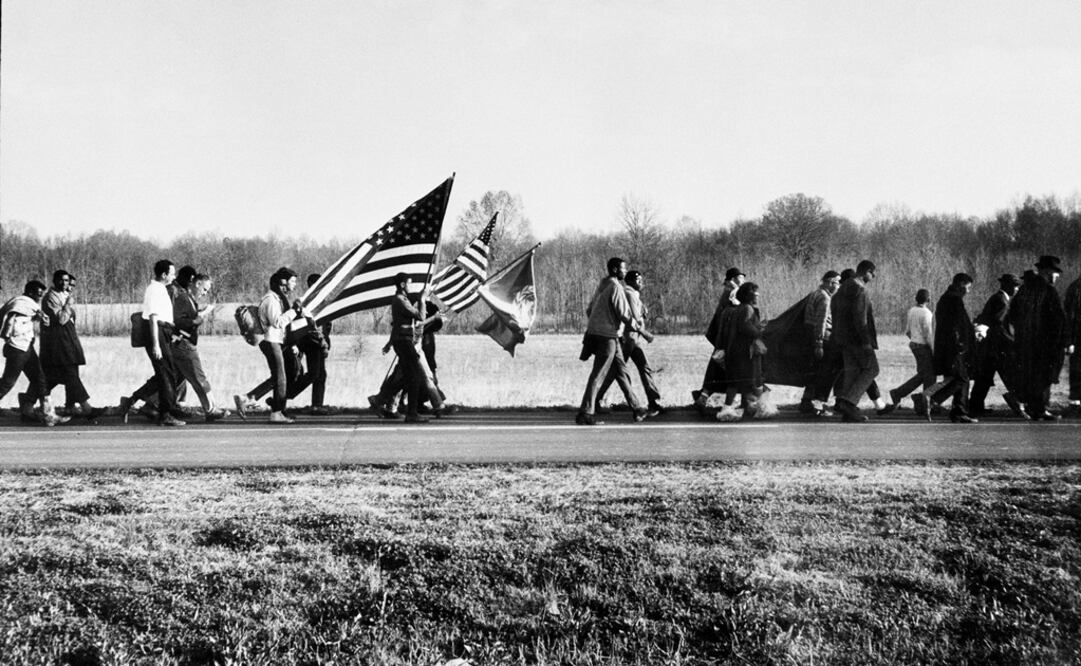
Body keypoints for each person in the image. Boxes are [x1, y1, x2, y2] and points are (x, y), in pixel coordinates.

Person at [576, 257, 648, 426]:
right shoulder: (616, 287)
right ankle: (585, 413)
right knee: (598, 374)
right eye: (623, 268)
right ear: (615, 269)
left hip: (601, 334)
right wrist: (639, 328)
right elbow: (624, 313)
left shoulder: (602, 285)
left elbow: (589, 309)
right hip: (607, 336)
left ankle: (637, 408)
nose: (625, 271)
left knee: (621, 372)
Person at [0, 281, 69, 426]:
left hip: (25, 348)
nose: (40, 297)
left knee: (40, 379)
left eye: (41, 294)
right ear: (30, 292)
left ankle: (48, 414)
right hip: (18, 348)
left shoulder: (17, 302)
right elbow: (11, 323)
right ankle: (46, 414)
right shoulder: (23, 304)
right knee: (7, 382)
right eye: (38, 294)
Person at [1008, 256, 1069, 420]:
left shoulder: (1024, 290)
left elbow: (1012, 314)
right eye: (1056, 273)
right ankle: (1039, 408)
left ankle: (1033, 406)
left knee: (1032, 374)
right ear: (1048, 272)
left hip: (1025, 341)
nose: (1057, 277)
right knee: (1044, 375)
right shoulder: (1049, 291)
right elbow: (1058, 319)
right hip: (1046, 342)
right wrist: (1064, 341)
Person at [596, 270, 663, 414]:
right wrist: (646, 333)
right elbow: (633, 318)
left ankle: (653, 401)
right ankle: (596, 400)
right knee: (616, 372)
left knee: (643, 367)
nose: (642, 283)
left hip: (632, 339)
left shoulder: (632, 294)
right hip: (628, 339)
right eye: (639, 280)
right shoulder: (630, 294)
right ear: (631, 281)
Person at [39, 270, 101, 418]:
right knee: (70, 375)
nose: (65, 284)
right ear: (54, 281)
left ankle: (68, 406)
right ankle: (87, 408)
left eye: (67, 281)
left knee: (57, 376)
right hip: (59, 342)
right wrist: (68, 304)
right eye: (62, 280)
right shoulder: (50, 298)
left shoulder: (64, 295)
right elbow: (61, 320)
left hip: (68, 340)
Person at [134, 260, 185, 426]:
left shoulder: (160, 289)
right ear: (164, 275)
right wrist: (156, 344)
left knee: (169, 372)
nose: (174, 276)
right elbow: (153, 318)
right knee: (165, 374)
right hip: (158, 332)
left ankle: (166, 408)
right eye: (172, 273)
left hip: (164, 332)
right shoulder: (155, 290)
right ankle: (165, 414)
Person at [922, 274, 977, 423]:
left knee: (961, 378)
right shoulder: (954, 300)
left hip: (948, 346)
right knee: (962, 378)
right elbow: (955, 326)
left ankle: (959, 411)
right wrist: (961, 342)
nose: (968, 291)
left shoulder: (946, 298)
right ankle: (932, 399)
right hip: (953, 347)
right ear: (960, 284)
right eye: (968, 287)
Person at [969, 273, 1026, 418]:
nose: (1017, 289)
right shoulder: (1002, 301)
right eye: (1016, 286)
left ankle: (976, 407)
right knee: (1008, 376)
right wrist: (1012, 341)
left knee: (984, 378)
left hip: (990, 346)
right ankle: (1018, 405)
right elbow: (998, 325)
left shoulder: (998, 298)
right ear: (1008, 286)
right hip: (997, 347)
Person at [172, 271, 226, 422]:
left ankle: (156, 404)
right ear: (197, 283)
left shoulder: (187, 297)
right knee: (198, 377)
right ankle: (211, 408)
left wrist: (199, 313)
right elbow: (180, 321)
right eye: (204, 289)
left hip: (181, 342)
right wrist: (200, 317)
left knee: (177, 377)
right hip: (184, 343)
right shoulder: (183, 298)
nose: (204, 293)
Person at [830, 260, 879, 422]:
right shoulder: (860, 290)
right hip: (858, 339)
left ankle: (847, 412)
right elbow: (860, 319)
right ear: (865, 272)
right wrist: (866, 340)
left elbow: (835, 312)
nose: (873, 276)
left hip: (843, 339)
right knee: (872, 369)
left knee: (851, 373)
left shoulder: (841, 290)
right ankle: (849, 402)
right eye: (872, 272)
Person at [693, 267, 745, 414]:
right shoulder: (733, 292)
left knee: (716, 370)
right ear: (734, 278)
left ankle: (702, 397)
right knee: (728, 372)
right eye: (741, 277)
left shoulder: (728, 291)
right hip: (728, 340)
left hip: (722, 339)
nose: (744, 280)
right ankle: (743, 404)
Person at [388, 272, 438, 423]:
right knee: (414, 376)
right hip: (404, 342)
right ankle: (412, 413)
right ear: (403, 285)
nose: (411, 286)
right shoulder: (400, 300)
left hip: (403, 341)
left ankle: (382, 399)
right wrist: (422, 299)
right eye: (409, 283)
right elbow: (420, 316)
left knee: (406, 376)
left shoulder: (402, 299)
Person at [879, 288, 935, 416]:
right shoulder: (926, 313)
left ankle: (903, 394)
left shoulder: (912, 311)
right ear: (928, 300)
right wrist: (933, 349)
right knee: (930, 375)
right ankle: (924, 403)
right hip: (923, 346)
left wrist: (914, 340)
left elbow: (908, 331)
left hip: (914, 345)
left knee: (923, 374)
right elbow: (929, 335)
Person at [716, 282, 766, 421]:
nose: (758, 296)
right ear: (750, 295)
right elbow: (746, 327)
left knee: (735, 383)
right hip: (745, 353)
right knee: (754, 380)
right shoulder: (748, 309)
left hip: (735, 351)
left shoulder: (738, 309)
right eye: (756, 293)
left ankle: (731, 408)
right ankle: (760, 407)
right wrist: (760, 331)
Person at [289, 273, 332, 415]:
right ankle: (289, 393)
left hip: (316, 342)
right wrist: (323, 343)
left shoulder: (317, 301)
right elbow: (313, 327)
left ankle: (317, 405)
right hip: (312, 342)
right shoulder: (307, 302)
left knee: (320, 374)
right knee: (315, 374)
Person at [799, 270, 841, 416]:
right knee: (824, 373)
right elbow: (821, 322)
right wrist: (819, 343)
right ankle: (817, 406)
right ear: (830, 282)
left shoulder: (814, 293)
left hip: (810, 337)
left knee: (814, 371)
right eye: (837, 282)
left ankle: (806, 402)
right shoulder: (825, 298)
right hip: (824, 339)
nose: (838, 286)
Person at [1064, 272, 1081, 416]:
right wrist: (1069, 340)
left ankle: (1075, 402)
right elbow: (1070, 316)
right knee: (1077, 371)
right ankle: (1075, 402)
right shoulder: (1076, 289)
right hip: (1078, 337)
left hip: (1077, 337)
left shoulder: (1075, 287)